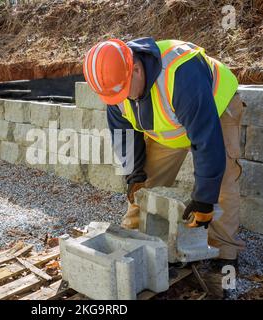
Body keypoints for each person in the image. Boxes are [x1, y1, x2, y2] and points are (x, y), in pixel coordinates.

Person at [82, 37, 245, 271]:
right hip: (170, 127)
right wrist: (134, 174)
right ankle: (132, 240)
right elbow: (124, 135)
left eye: (124, 92)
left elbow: (206, 139)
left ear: (136, 69)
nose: (122, 100)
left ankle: (225, 253)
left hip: (216, 111)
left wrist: (203, 199)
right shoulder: (116, 85)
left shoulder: (180, 72)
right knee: (145, 186)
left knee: (222, 186)